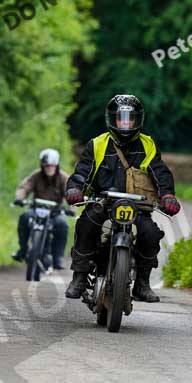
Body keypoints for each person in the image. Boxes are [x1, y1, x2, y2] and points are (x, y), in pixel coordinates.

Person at [64, 94, 180, 303]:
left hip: (137, 205)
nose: (125, 123)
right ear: (112, 120)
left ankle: (142, 284)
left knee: (151, 234)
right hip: (102, 203)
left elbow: (160, 173)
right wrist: (75, 188)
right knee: (85, 225)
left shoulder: (148, 145)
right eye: (121, 118)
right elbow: (82, 172)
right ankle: (79, 277)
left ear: (138, 120)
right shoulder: (97, 144)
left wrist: (168, 195)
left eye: (130, 119)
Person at [11, 148, 69, 269]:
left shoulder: (63, 178)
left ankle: (57, 257)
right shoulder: (36, 175)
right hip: (36, 209)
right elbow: (24, 187)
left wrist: (72, 207)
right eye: (47, 165)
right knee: (24, 217)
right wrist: (20, 198)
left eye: (52, 165)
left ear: (56, 165)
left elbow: (70, 194)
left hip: (55, 212)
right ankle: (22, 250)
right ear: (42, 165)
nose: (49, 167)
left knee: (63, 224)